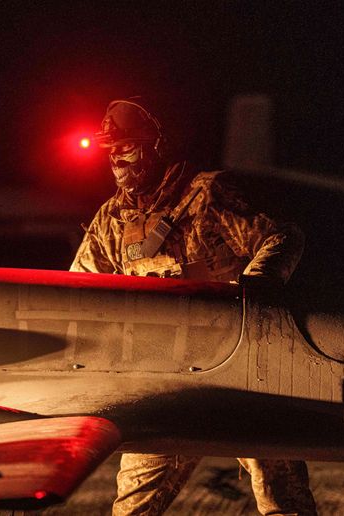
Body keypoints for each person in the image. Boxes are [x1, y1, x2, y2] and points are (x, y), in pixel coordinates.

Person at [70, 98, 317, 515]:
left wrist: (255, 293)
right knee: (132, 510)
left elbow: (281, 237)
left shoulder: (208, 195)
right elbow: (78, 289)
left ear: (155, 147)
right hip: (165, 383)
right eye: (110, 151)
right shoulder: (112, 219)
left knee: (282, 501)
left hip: (240, 375)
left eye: (126, 148)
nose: (116, 160)